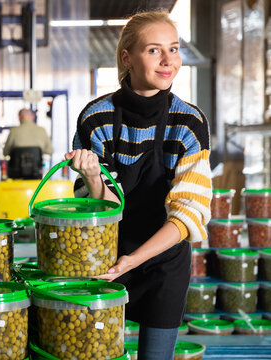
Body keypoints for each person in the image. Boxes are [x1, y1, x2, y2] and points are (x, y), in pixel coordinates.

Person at [66, 11, 211, 360]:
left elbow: (187, 215)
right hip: (104, 258)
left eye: (173, 49)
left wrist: (134, 260)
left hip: (164, 260)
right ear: (126, 57)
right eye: (154, 50)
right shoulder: (95, 118)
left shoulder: (189, 123)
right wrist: (91, 179)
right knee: (96, 351)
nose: (168, 61)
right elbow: (101, 205)